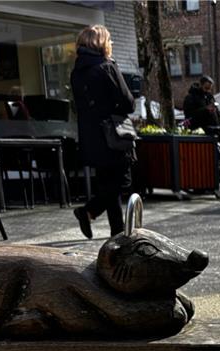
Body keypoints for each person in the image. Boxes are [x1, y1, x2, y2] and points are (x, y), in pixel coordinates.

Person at [70, 24, 135, 239]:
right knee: (121, 181)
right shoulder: (106, 67)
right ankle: (88, 210)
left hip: (92, 137)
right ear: (102, 43)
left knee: (108, 182)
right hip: (113, 135)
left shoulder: (77, 72)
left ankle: (117, 231)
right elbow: (128, 102)